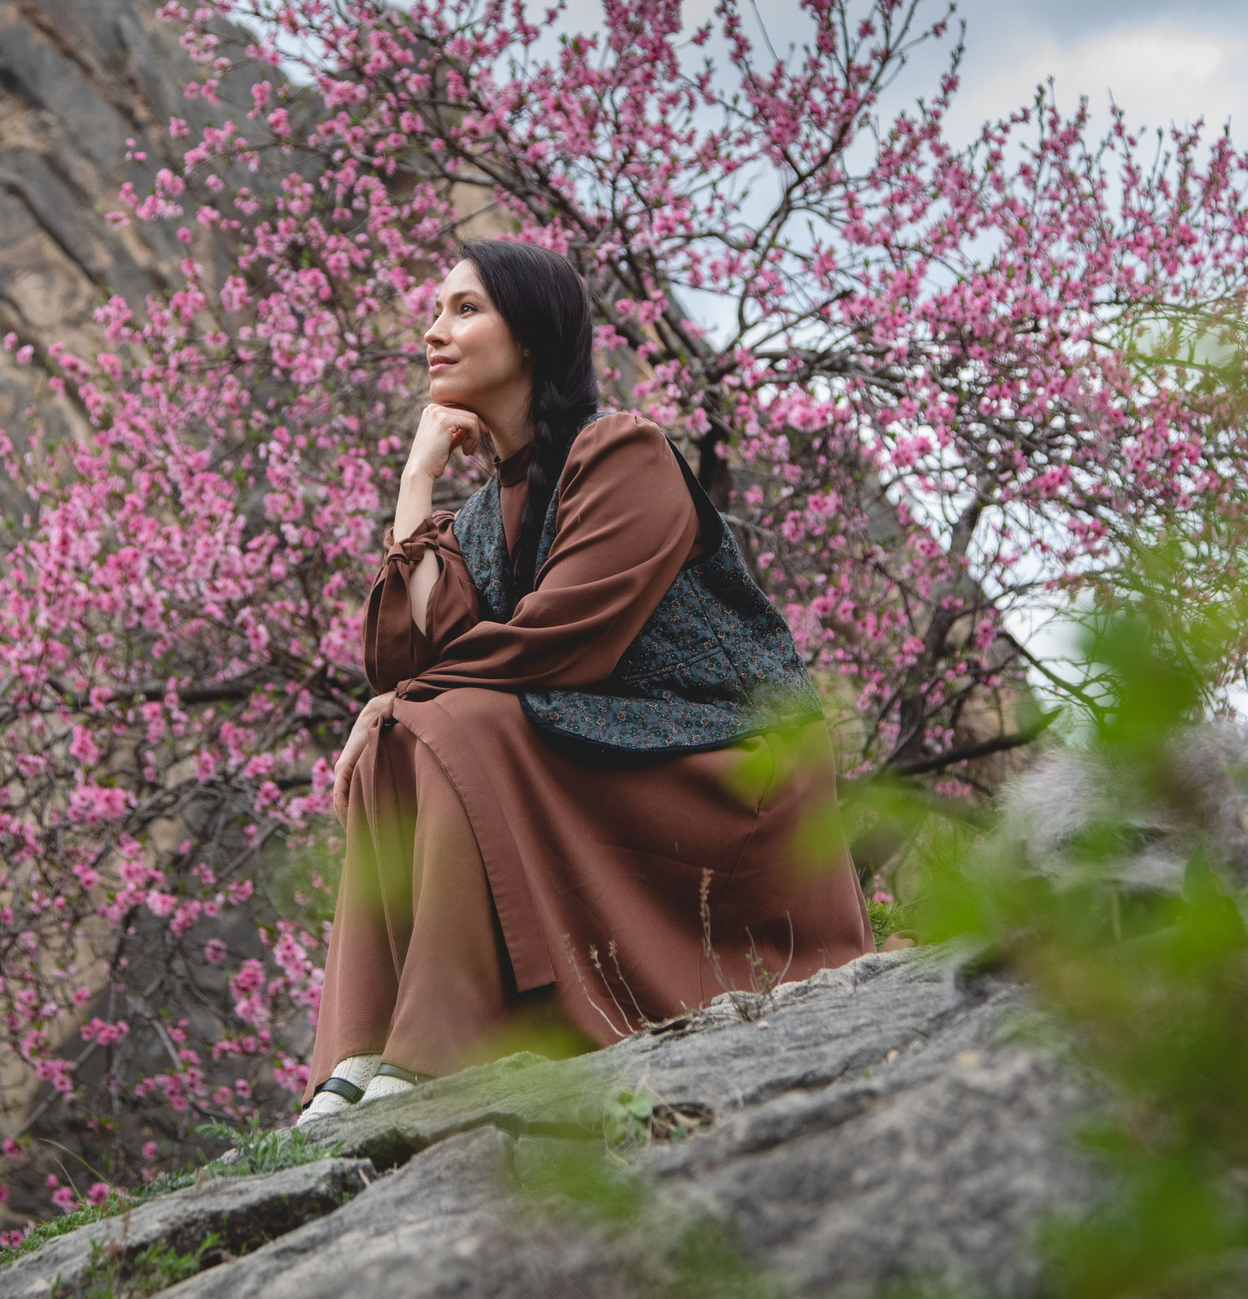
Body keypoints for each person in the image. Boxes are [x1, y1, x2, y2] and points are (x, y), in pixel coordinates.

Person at [298, 238, 872, 1122]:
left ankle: (437, 1043)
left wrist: (406, 701)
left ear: (529, 336)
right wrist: (416, 481)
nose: (431, 331)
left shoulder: (622, 453)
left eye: (464, 309)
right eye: (436, 310)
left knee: (458, 723)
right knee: (400, 734)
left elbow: (564, 645)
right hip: (598, 758)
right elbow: (422, 658)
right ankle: (361, 1050)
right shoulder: (485, 515)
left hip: (723, 770)